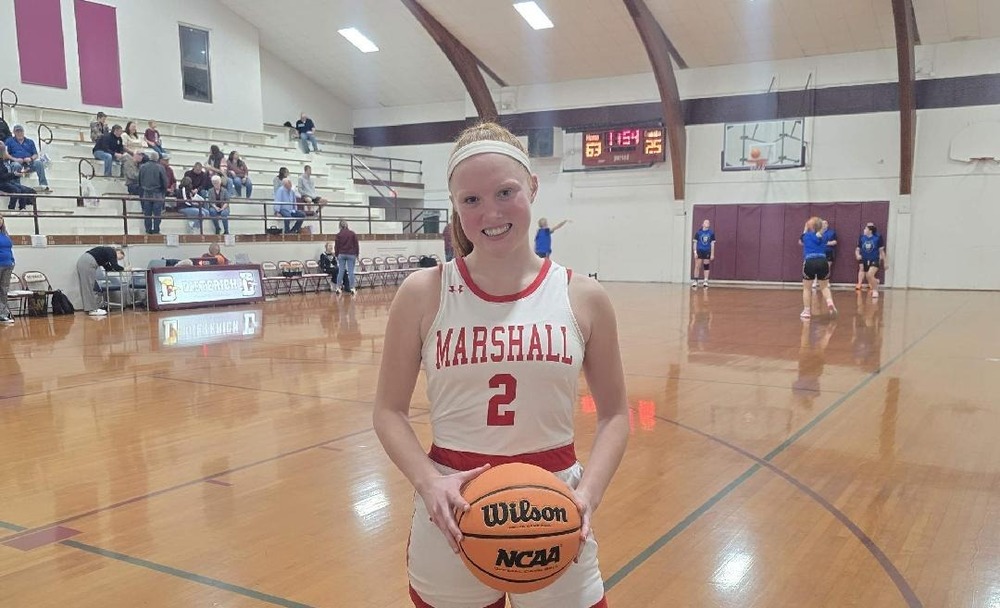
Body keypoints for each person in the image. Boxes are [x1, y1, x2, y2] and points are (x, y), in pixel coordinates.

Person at [372, 122, 628, 608]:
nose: (490, 212)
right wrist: (428, 482)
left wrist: (587, 496)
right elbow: (388, 410)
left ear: (532, 186)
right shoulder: (423, 293)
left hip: (556, 506)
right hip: (451, 508)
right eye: (470, 200)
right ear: (454, 206)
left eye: (505, 192)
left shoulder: (584, 297)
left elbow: (616, 414)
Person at [800, 217, 837, 319]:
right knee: (824, 287)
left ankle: (807, 311)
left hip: (810, 261)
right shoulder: (824, 237)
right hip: (822, 261)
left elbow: (801, 240)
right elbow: (819, 235)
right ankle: (830, 303)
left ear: (810, 226)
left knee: (807, 288)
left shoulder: (806, 236)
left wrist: (806, 228)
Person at [76, 246, 125, 316]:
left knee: (87, 286)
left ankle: (90, 308)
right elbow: (115, 266)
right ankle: (92, 310)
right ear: (118, 252)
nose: (119, 259)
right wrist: (125, 268)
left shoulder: (105, 254)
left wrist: (115, 268)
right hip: (88, 263)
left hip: (84, 261)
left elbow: (108, 268)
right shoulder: (111, 251)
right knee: (89, 287)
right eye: (121, 257)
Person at [4, 124, 51, 192]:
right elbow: (5, 154)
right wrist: (15, 159)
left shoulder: (30, 141)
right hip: (16, 162)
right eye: (17, 132)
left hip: (28, 164)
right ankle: (17, 186)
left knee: (39, 163)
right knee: (16, 165)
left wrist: (31, 159)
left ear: (23, 132)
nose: (19, 133)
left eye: (21, 131)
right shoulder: (9, 141)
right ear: (14, 132)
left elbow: (35, 154)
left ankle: (43, 185)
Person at [137, 150, 168, 234]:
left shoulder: (142, 167)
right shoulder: (160, 167)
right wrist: (164, 191)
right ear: (157, 159)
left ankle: (148, 230)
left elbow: (139, 181)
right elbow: (165, 182)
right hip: (157, 193)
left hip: (146, 193)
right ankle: (156, 230)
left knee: (147, 214)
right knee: (157, 214)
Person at [856, 223, 887, 298]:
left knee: (870, 274)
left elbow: (881, 251)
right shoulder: (862, 238)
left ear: (870, 231)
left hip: (875, 259)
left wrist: (885, 262)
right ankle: (875, 281)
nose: (864, 230)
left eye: (865, 229)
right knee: (868, 276)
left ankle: (875, 291)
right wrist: (857, 255)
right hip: (865, 259)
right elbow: (857, 249)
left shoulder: (877, 238)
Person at [334, 220, 358, 295]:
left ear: (340, 226)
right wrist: (357, 254)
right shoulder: (352, 233)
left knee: (341, 271)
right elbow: (356, 244)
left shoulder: (338, 235)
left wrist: (336, 254)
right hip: (351, 254)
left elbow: (336, 246)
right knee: (351, 272)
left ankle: (338, 288)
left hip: (341, 254)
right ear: (347, 225)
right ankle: (352, 288)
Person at [0, 214, 15, 324]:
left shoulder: (5, 234)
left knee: (4, 290)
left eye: (1, 218)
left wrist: (12, 260)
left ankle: (3, 313)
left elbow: (9, 248)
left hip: (8, 264)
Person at [692, 219, 715, 288]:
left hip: (707, 251)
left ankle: (705, 281)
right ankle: (695, 281)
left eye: (708, 222)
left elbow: (712, 244)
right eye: (706, 222)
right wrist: (695, 252)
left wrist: (712, 254)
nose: (707, 223)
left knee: (706, 266)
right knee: (697, 266)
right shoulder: (698, 233)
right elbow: (695, 243)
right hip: (699, 251)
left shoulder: (711, 233)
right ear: (703, 224)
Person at [817, 219, 838, 289]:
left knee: (827, 267)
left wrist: (827, 243)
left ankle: (826, 281)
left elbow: (835, 242)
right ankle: (816, 282)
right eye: (822, 224)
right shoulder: (818, 233)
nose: (824, 225)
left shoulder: (832, 233)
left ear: (827, 225)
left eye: (825, 224)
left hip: (829, 252)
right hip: (819, 252)